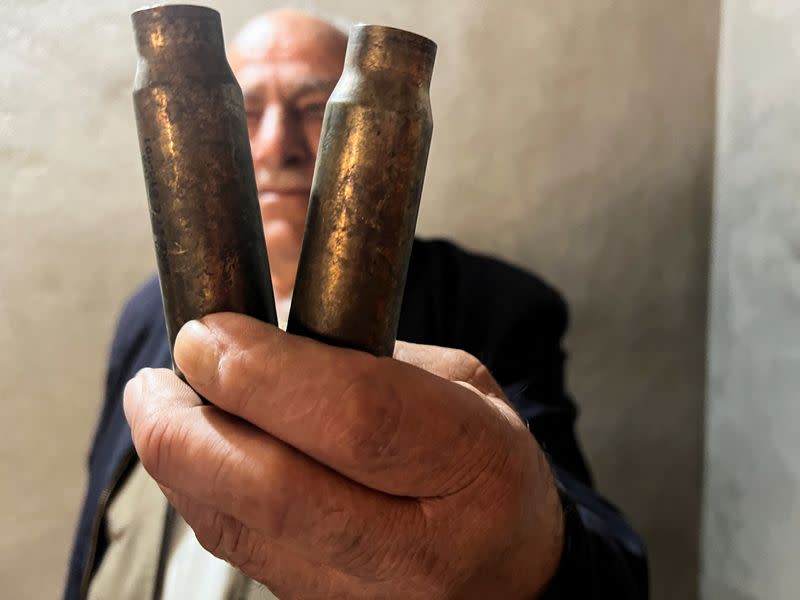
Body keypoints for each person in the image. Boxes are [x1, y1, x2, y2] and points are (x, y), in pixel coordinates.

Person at [65, 10, 648, 600]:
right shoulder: (145, 315)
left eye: (315, 107)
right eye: (246, 111)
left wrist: (526, 557)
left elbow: (612, 566)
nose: (278, 146)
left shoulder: (489, 308)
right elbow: (91, 539)